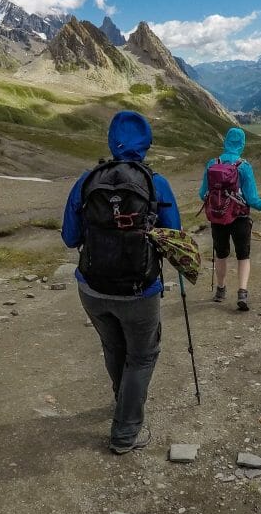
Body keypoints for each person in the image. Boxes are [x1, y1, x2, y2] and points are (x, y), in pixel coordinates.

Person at [61, 110, 181, 454]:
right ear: (146, 144)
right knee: (142, 357)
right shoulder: (156, 183)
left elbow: (70, 238)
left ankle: (123, 402)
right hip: (140, 291)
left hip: (92, 288)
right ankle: (126, 432)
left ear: (111, 141)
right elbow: (174, 237)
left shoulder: (87, 180)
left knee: (114, 348)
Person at [199, 127, 261, 311]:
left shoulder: (212, 163)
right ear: (242, 144)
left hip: (217, 217)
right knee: (243, 256)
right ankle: (242, 293)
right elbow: (252, 199)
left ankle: (221, 290)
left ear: (226, 142)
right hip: (240, 217)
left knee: (221, 254)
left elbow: (202, 194)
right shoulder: (244, 166)